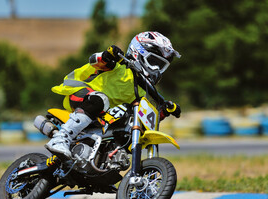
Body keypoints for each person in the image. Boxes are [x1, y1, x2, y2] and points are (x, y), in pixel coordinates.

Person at [45, 31, 181, 168]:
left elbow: (143, 114)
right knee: (101, 99)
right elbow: (95, 59)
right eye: (153, 62)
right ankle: (60, 139)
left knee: (129, 120)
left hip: (100, 113)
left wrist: (163, 111)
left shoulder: (141, 91)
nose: (156, 69)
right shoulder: (117, 65)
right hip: (79, 92)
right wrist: (108, 55)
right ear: (139, 52)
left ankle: (106, 161)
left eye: (160, 66)